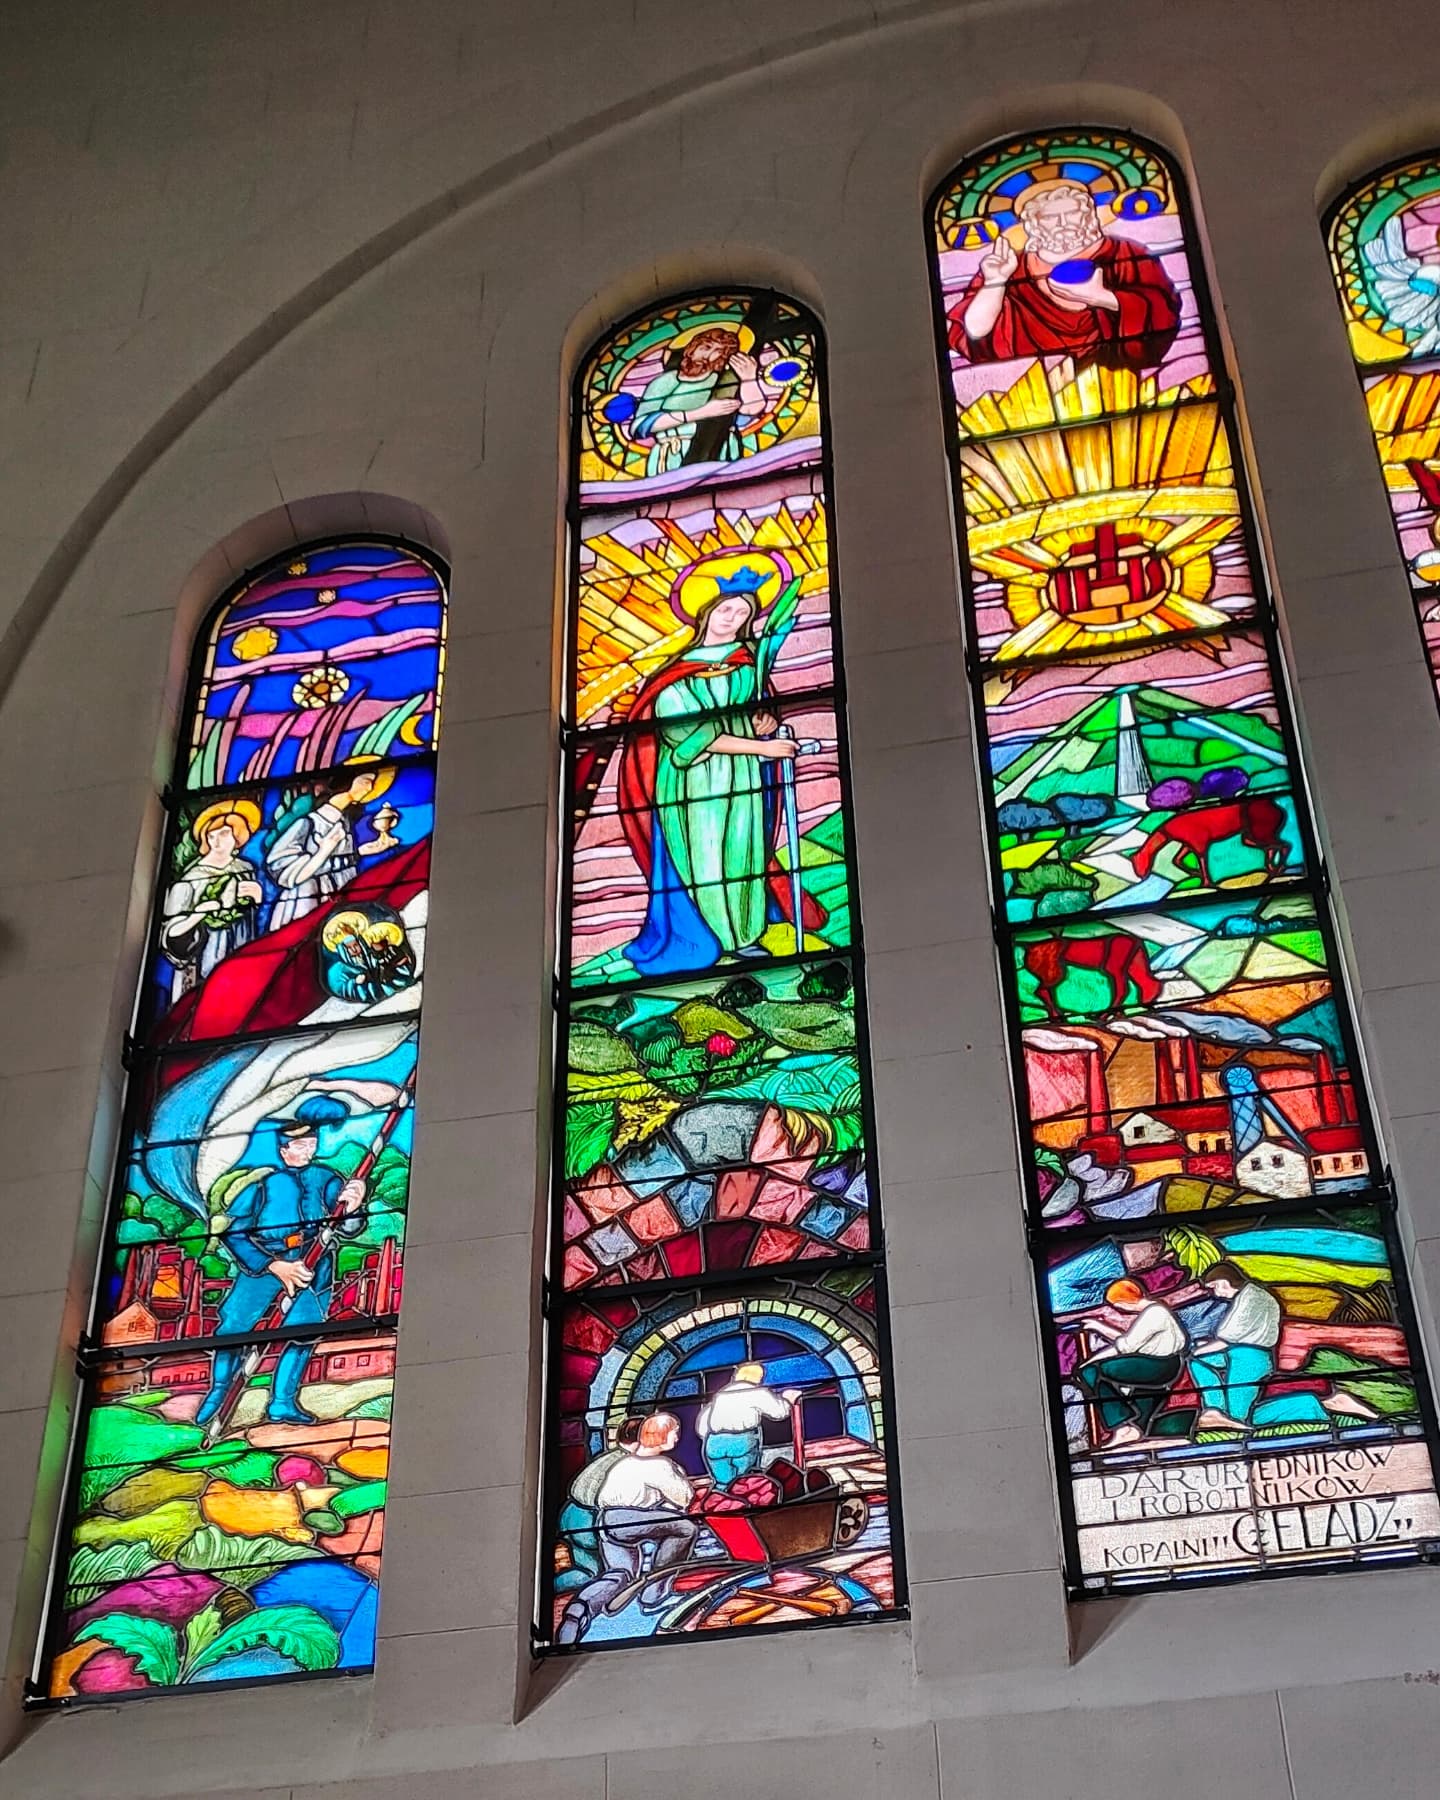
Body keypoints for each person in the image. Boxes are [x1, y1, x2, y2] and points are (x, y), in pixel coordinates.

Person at [616, 561, 823, 977]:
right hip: (693, 786)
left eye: (742, 613)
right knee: (706, 858)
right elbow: (687, 737)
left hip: (743, 777)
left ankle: (744, 938)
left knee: (742, 855)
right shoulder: (674, 676)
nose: (732, 619)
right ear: (706, 613)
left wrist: (762, 722)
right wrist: (761, 747)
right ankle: (709, 937)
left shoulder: (746, 664)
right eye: (726, 609)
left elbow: (752, 712)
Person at [195, 1101, 367, 1429]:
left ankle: (283, 1402)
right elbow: (234, 1234)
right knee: (234, 1327)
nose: (308, 1151)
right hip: (263, 1267)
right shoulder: (261, 1185)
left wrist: (354, 1206)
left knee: (305, 1329)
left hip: (312, 1265)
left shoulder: (327, 1179)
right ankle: (217, 1393)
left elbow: (348, 1228)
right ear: (284, 1150)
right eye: (300, 1145)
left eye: (312, 1144)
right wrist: (273, 1266)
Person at [949, 179, 1181, 373]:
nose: (1062, 223)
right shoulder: (1010, 267)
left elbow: (1163, 312)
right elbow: (975, 334)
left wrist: (1105, 298)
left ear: (1088, 216)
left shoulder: (1127, 254)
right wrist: (995, 282)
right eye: (1049, 217)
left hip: (1119, 378)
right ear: (1033, 224)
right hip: (1035, 390)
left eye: (1072, 214)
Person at [555, 1413, 700, 1643]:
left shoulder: (624, 1463)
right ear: (661, 1437)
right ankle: (654, 1591)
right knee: (685, 1528)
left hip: (606, 1522)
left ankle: (580, 1609)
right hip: (629, 1520)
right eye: (674, 1432)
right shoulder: (659, 1465)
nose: (677, 1437)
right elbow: (684, 1497)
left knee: (620, 1574)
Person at [629, 328, 781, 474]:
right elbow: (640, 426)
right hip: (670, 456)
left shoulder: (725, 381)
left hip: (720, 451)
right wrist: (702, 412)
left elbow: (747, 414)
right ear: (692, 348)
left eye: (718, 351)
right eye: (706, 347)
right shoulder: (664, 381)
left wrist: (749, 379)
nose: (708, 355)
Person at [159, 801, 265, 1002]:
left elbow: (255, 922)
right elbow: (170, 934)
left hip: (241, 952)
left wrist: (258, 899)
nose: (217, 841)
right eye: (211, 836)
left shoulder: (244, 869)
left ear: (237, 835)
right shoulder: (190, 880)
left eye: (224, 833)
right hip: (203, 960)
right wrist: (199, 913)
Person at [265, 763, 392, 928]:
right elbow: (279, 865)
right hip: (305, 903)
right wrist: (323, 852)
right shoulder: (307, 823)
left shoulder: (345, 825)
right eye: (366, 781)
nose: (369, 788)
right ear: (346, 782)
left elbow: (339, 867)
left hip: (338, 903)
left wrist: (360, 853)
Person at [1076, 1278, 1188, 1447]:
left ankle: (1121, 1427)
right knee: (1142, 1399)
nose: (1119, 1309)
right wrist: (1098, 1330)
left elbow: (1125, 1346)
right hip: (1166, 1366)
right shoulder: (1156, 1311)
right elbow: (1128, 1342)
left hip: (1156, 1366)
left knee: (1092, 1372)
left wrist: (1090, 1360)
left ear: (1124, 1302)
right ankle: (1134, 1431)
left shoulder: (1154, 1313)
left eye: (1117, 1305)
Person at [1187, 1260, 1282, 1429]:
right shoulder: (1249, 1294)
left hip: (1250, 1358)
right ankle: (1215, 1410)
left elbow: (1228, 1337)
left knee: (1238, 1415)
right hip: (1238, 1353)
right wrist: (1201, 1350)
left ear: (1225, 1282)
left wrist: (1197, 1351)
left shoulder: (1253, 1297)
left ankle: (1306, 1405)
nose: (1215, 1293)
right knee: (1199, 1362)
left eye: (1214, 1286)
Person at [697, 1361, 799, 1486]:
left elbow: (703, 1425)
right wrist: (788, 1400)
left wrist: (711, 1438)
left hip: (714, 1443)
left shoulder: (720, 1394)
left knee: (722, 1482)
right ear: (758, 1378)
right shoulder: (757, 1392)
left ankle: (721, 1496)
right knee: (744, 1481)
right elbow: (779, 1412)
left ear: (736, 1376)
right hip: (742, 1442)